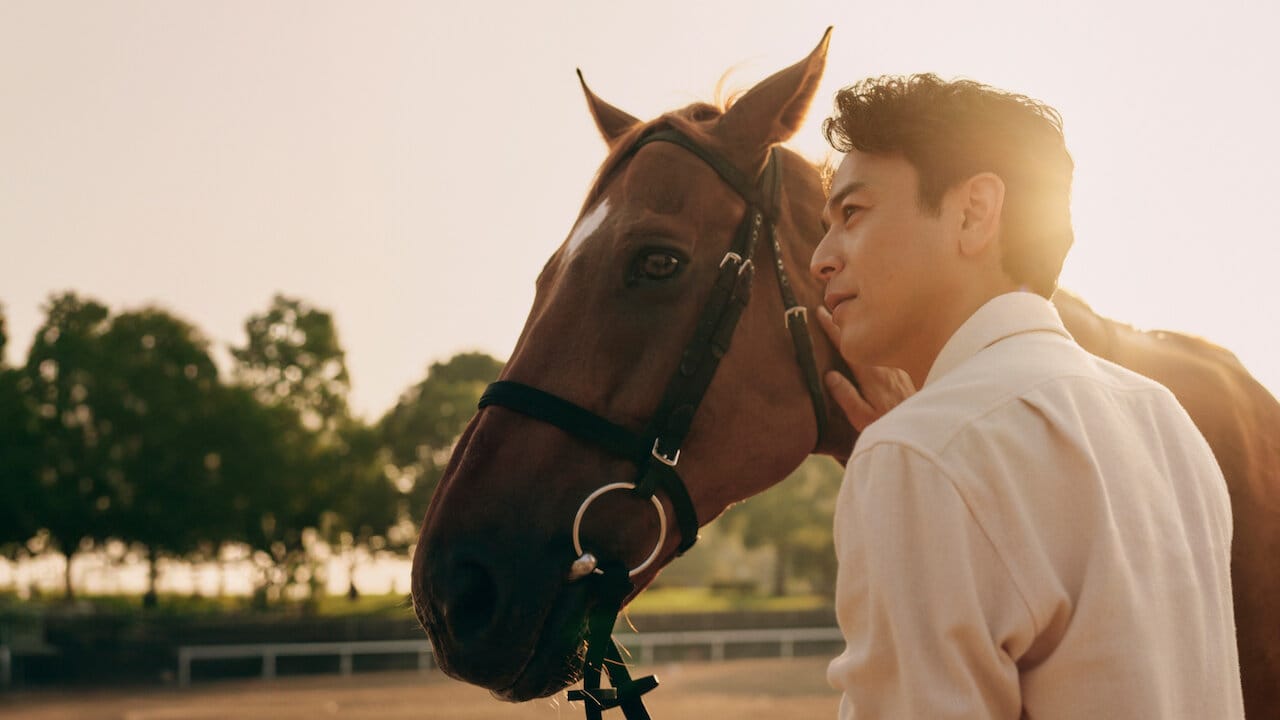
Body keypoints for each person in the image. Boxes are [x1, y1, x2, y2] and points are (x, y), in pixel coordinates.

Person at [808, 74, 1244, 718]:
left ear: (974, 213)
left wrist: (922, 454)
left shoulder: (918, 454)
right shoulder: (1164, 419)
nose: (820, 258)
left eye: (852, 214)